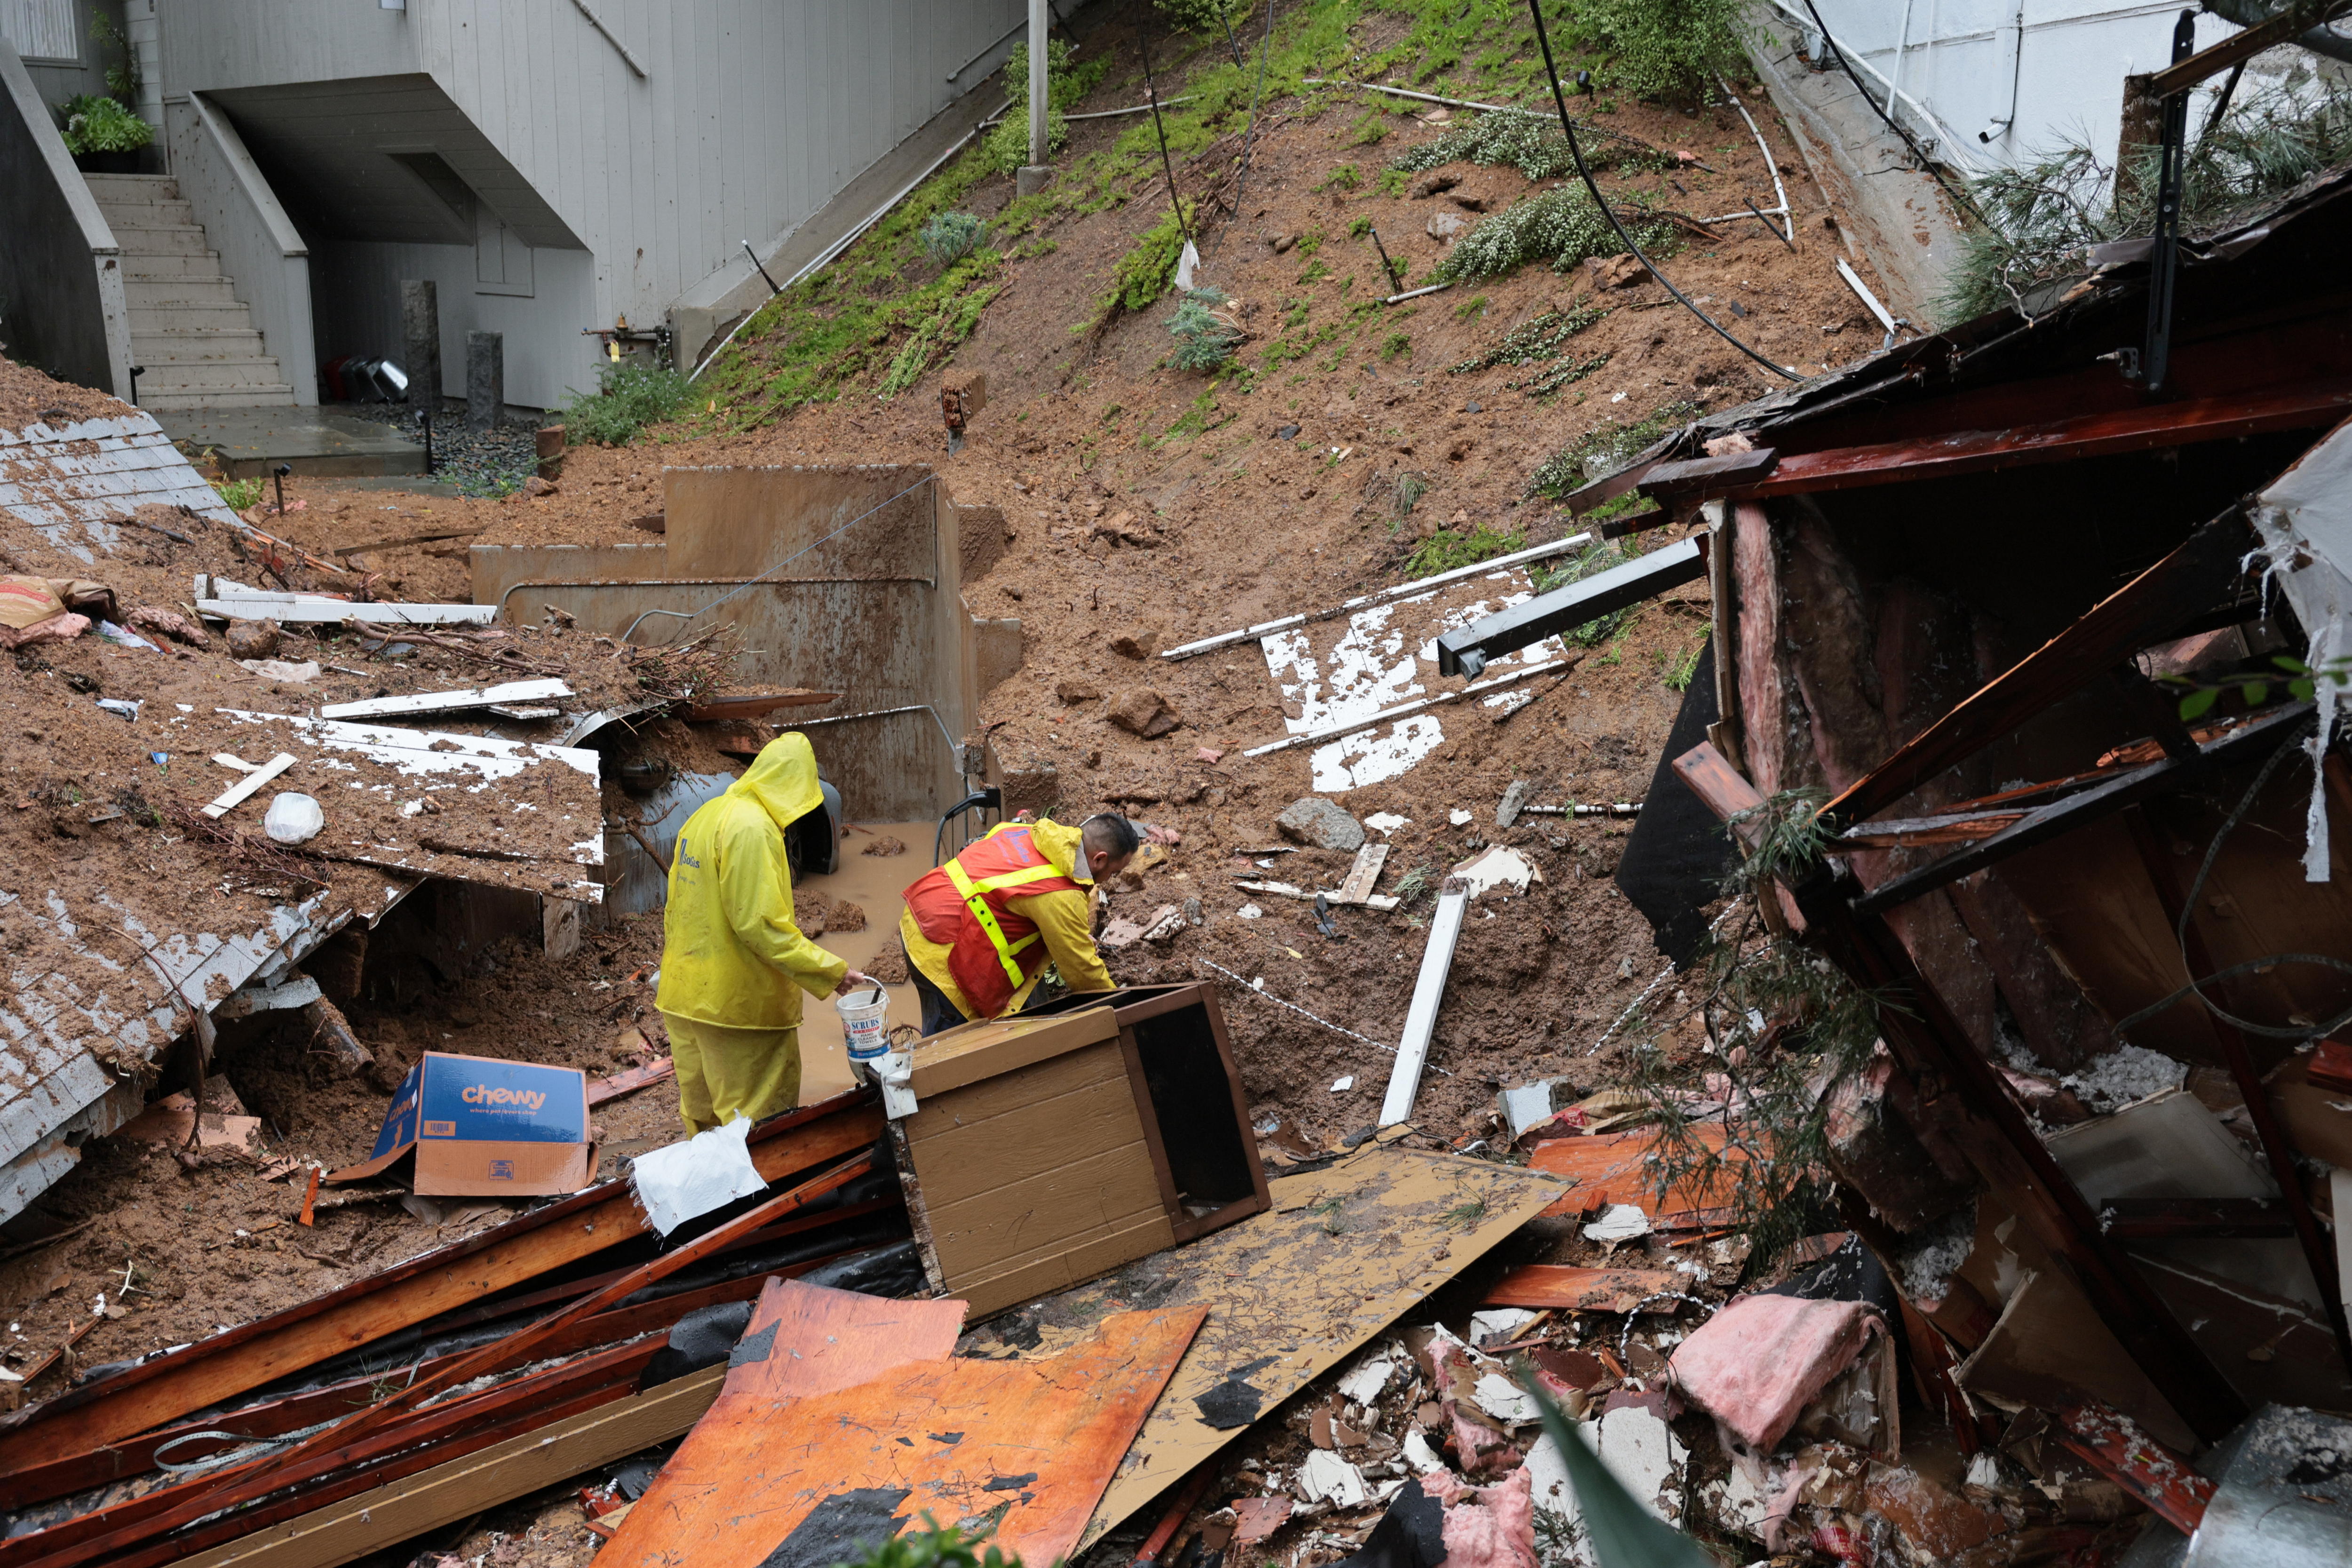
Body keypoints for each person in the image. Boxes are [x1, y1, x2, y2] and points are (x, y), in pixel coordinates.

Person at [655, 732, 874, 1133]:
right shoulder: (753, 829)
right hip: (739, 1011)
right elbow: (761, 926)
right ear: (796, 788)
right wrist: (831, 970)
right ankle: (758, 1199)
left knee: (705, 1125)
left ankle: (715, 1198)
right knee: (755, 1130)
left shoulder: (705, 816)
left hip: (684, 999)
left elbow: (679, 910)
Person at [898, 812, 1143, 1035]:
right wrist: (1124, 1007)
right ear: (1099, 859)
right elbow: (1083, 974)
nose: (1110, 880)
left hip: (919, 919)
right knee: (949, 1050)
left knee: (936, 1025)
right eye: (1114, 872)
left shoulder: (1022, 832)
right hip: (942, 952)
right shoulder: (1062, 895)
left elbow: (1008, 896)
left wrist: (1069, 933)